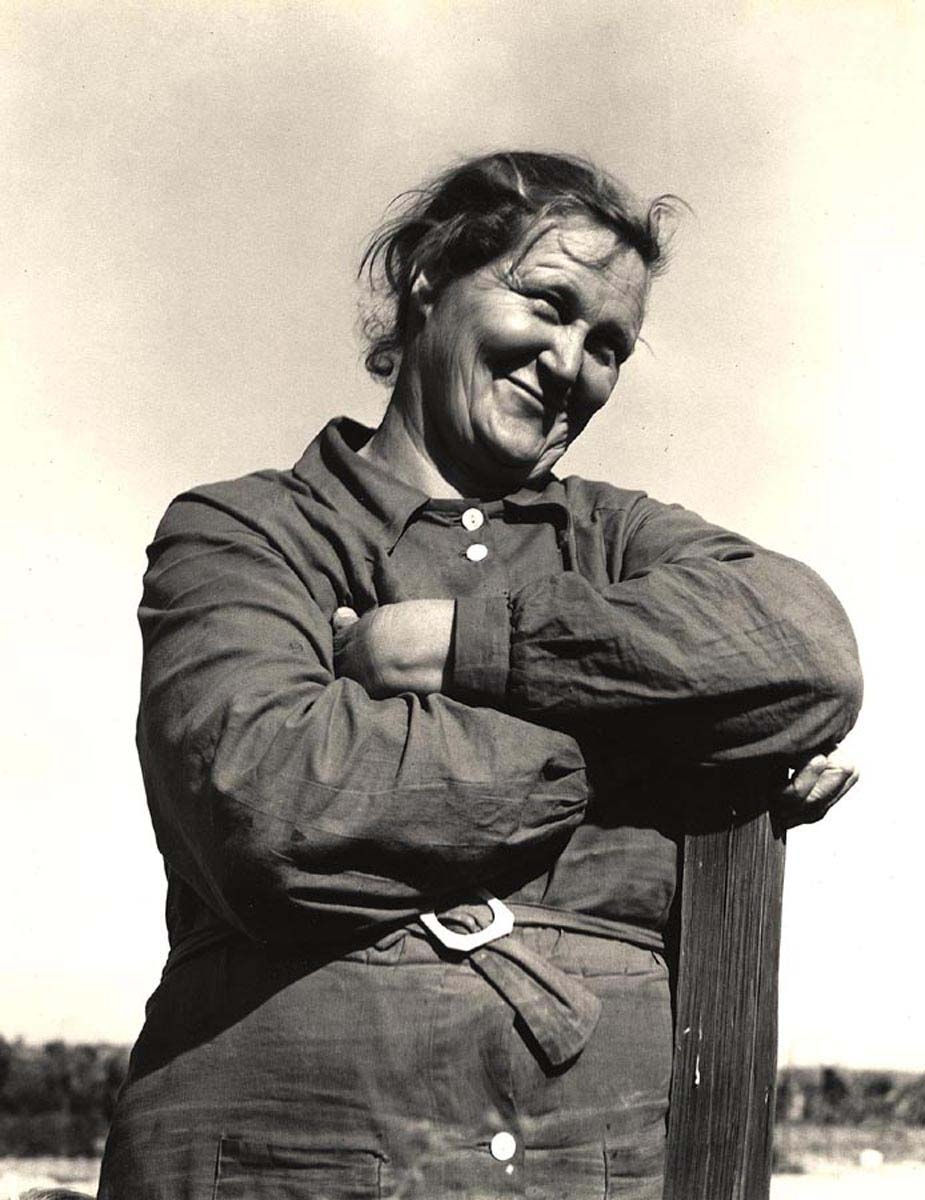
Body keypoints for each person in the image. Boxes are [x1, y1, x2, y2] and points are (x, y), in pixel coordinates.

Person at [98, 151, 861, 1200]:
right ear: (426, 281)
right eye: (547, 304)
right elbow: (271, 804)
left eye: (607, 346)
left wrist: (448, 648)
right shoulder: (248, 530)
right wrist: (657, 756)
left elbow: (807, 654)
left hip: (595, 1171)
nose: (569, 363)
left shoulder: (623, 536)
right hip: (273, 1168)